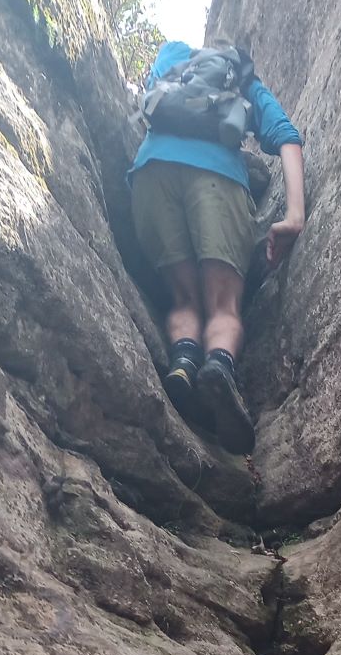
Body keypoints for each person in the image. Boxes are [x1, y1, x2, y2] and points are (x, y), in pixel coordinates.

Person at [130, 39, 305, 453]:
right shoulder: (240, 73)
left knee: (184, 298)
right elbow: (287, 138)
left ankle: (183, 361)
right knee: (223, 304)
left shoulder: (173, 58)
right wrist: (294, 215)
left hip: (151, 174)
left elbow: (147, 110)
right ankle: (219, 366)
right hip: (216, 176)